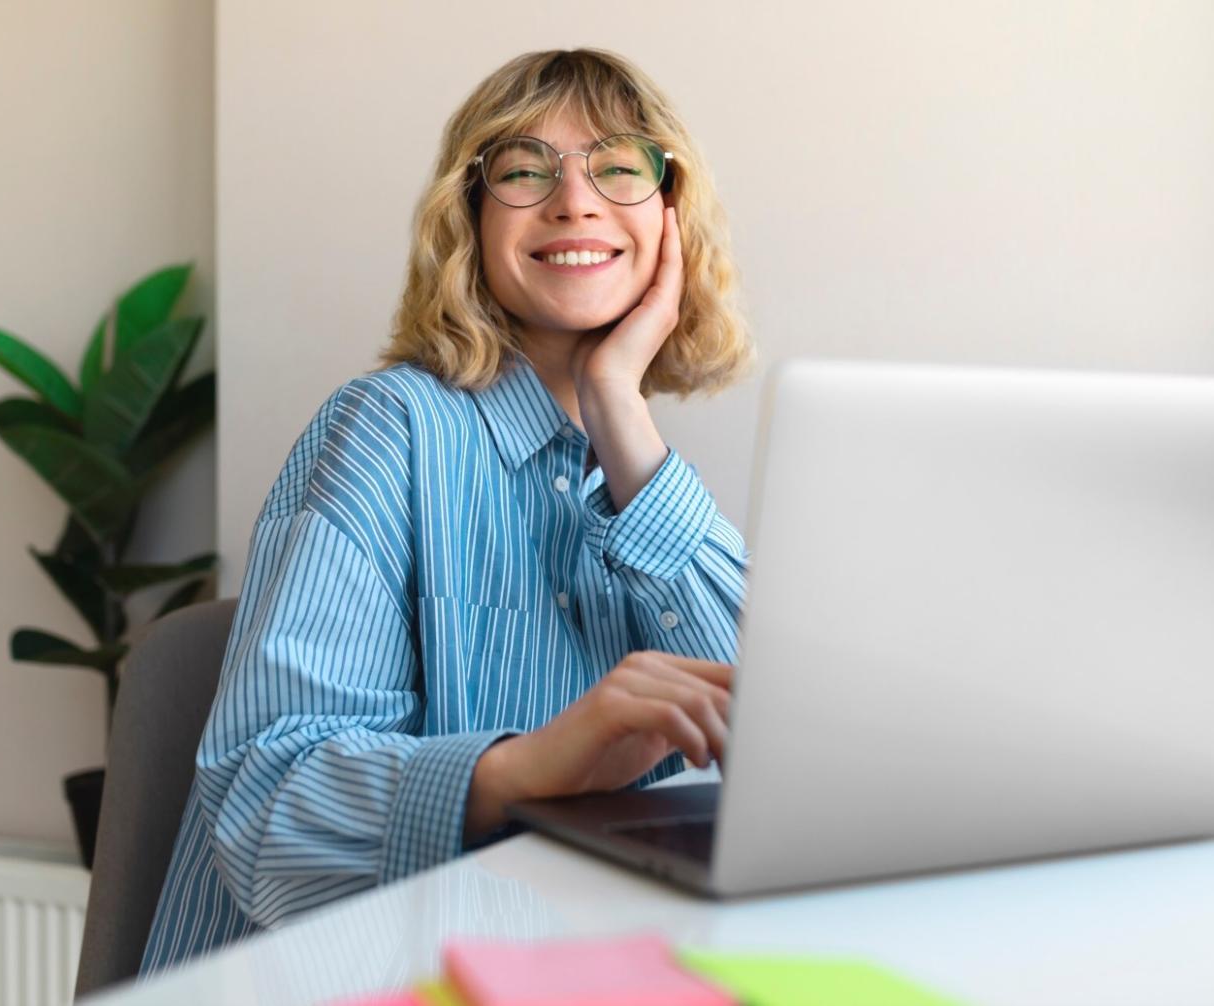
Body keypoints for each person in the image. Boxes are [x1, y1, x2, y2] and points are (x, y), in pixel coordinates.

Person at [139, 47, 756, 976]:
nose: (575, 201)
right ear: (468, 218)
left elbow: (770, 732)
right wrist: (525, 768)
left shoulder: (641, 475)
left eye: (620, 166)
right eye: (522, 171)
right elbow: (268, 815)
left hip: (573, 972)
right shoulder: (387, 430)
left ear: (670, 220)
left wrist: (618, 406)